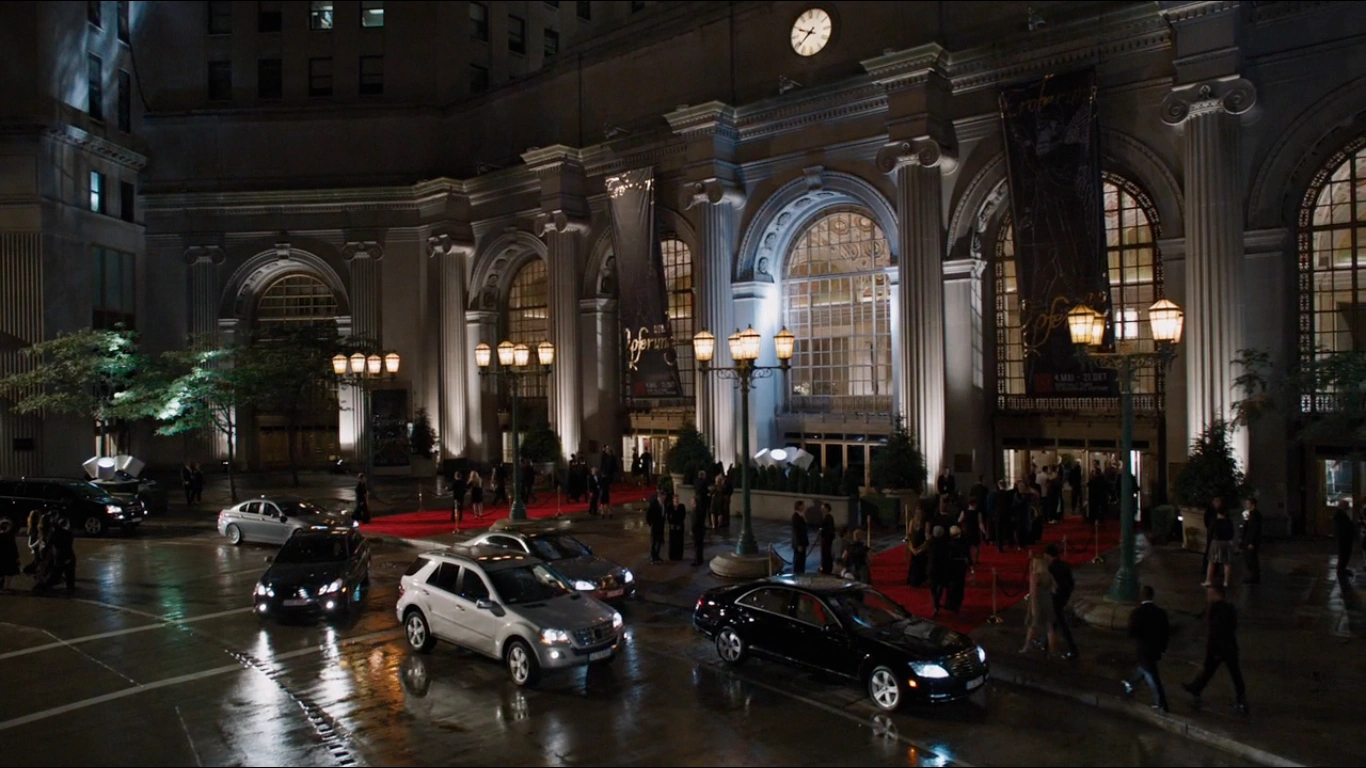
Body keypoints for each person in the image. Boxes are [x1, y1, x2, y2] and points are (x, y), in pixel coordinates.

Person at [1183, 585, 1248, 714]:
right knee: (1231, 672)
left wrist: (1212, 649)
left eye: (1209, 594)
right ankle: (1197, 688)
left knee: (1212, 669)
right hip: (1230, 646)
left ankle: (1197, 688)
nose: (1207, 597)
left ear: (1215, 594)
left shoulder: (1214, 609)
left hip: (1219, 647)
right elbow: (1233, 626)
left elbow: (1215, 631)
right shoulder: (1230, 608)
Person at [1123, 585, 1170, 712]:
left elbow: (1131, 632)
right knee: (1146, 669)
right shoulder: (1161, 613)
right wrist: (1163, 648)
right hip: (1156, 647)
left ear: (1141, 597)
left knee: (1151, 675)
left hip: (1143, 648)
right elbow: (1166, 632)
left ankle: (1160, 702)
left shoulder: (1136, 613)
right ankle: (1131, 683)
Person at [1044, 544, 1079, 660]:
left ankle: (1072, 649)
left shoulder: (1051, 568)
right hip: (1063, 597)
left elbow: (1050, 586)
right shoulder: (1064, 565)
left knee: (1061, 624)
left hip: (1055, 599)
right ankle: (1045, 643)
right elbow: (1071, 583)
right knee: (1053, 622)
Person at [1021, 556, 1057, 656]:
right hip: (1048, 602)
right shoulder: (1048, 575)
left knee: (1032, 626)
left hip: (1038, 603)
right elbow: (1055, 588)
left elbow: (1033, 593)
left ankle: (1026, 647)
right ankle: (1052, 651)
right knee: (1049, 627)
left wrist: (1033, 608)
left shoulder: (1035, 576)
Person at [1204, 504, 1236, 588]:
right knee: (1227, 563)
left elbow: (1210, 533)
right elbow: (1232, 533)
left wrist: (1208, 542)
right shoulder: (1229, 522)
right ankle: (1226, 581)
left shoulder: (1214, 522)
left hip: (1216, 542)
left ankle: (1208, 580)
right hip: (1226, 542)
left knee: (1211, 561)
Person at [927, 525, 950, 617]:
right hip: (942, 567)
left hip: (933, 567)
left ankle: (935, 604)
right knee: (940, 585)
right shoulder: (946, 543)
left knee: (933, 587)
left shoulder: (930, 543)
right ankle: (937, 601)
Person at [1240, 497, 1263, 584]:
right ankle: (1252, 575)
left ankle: (1254, 576)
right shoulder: (1250, 514)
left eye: (1248, 503)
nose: (1247, 505)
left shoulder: (1256, 515)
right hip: (1247, 539)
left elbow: (1255, 529)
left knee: (1252, 559)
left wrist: (1252, 542)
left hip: (1251, 540)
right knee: (1248, 558)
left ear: (1252, 504)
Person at [1201, 495, 1225, 577]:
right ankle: (1206, 568)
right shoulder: (1210, 511)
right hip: (1212, 534)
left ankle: (1216, 569)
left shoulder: (1221, 510)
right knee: (1210, 551)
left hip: (1217, 534)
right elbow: (1206, 521)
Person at [946, 525, 969, 612]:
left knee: (951, 585)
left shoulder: (949, 544)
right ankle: (958, 602)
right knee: (960, 585)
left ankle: (950, 603)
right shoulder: (963, 543)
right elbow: (967, 555)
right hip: (961, 566)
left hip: (952, 565)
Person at [905, 506, 929, 586]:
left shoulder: (925, 523)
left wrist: (921, 549)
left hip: (922, 547)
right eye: (917, 513)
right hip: (914, 546)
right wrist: (912, 548)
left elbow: (927, 539)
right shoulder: (912, 522)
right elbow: (909, 536)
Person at [1333, 499, 1355, 580]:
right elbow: (1344, 526)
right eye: (1347, 505)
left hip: (1344, 537)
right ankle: (1341, 570)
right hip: (1344, 537)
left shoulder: (1341, 514)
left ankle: (1342, 569)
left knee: (1344, 554)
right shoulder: (1340, 515)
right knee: (1344, 554)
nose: (1348, 507)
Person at [959, 495, 984, 566]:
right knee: (977, 547)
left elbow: (959, 520)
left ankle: (969, 560)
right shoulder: (978, 513)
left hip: (967, 531)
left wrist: (962, 527)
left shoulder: (964, 512)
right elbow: (980, 523)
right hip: (975, 531)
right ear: (975, 503)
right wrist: (984, 531)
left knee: (968, 547)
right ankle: (976, 560)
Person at [646, 489, 666, 563]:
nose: (664, 498)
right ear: (660, 497)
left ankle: (657, 556)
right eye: (663, 497)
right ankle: (653, 556)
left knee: (659, 541)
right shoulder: (654, 504)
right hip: (655, 525)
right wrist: (650, 523)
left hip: (661, 525)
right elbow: (648, 514)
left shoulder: (663, 504)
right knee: (654, 541)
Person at [691, 485, 709, 567]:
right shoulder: (701, 510)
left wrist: (692, 530)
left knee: (697, 545)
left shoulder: (695, 511)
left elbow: (695, 522)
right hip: (701, 530)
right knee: (700, 545)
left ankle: (697, 560)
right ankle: (700, 559)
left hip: (697, 530)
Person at [0, 518, 19, 590]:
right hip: (9, 556)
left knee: (3, 572)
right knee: (8, 572)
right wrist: (16, 556)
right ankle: (6, 586)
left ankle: (4, 585)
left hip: (4, 556)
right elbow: (14, 547)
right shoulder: (10, 536)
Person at [790, 502, 809, 575]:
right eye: (802, 505)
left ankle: (801, 573)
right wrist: (798, 544)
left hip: (802, 542)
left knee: (802, 560)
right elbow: (796, 532)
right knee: (798, 561)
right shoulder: (795, 517)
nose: (804, 507)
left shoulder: (801, 516)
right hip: (799, 543)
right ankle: (797, 574)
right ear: (799, 506)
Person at [668, 493, 687, 562]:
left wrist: (679, 523)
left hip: (679, 526)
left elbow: (683, 516)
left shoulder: (682, 506)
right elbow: (668, 516)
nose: (676, 500)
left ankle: (679, 556)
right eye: (675, 499)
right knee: (672, 541)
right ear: (673, 499)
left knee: (679, 541)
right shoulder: (670, 506)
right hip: (672, 527)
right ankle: (672, 556)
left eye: (677, 499)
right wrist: (671, 523)